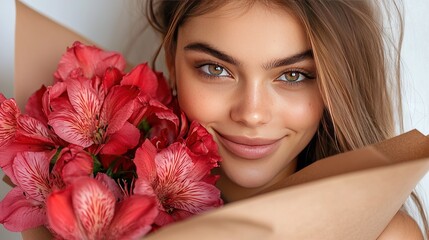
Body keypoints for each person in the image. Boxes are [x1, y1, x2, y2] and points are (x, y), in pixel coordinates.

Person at [144, 0, 427, 239]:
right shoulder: (111, 193)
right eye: (215, 69)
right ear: (171, 60)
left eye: (293, 75)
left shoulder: (382, 236)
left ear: (337, 84)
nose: (252, 114)